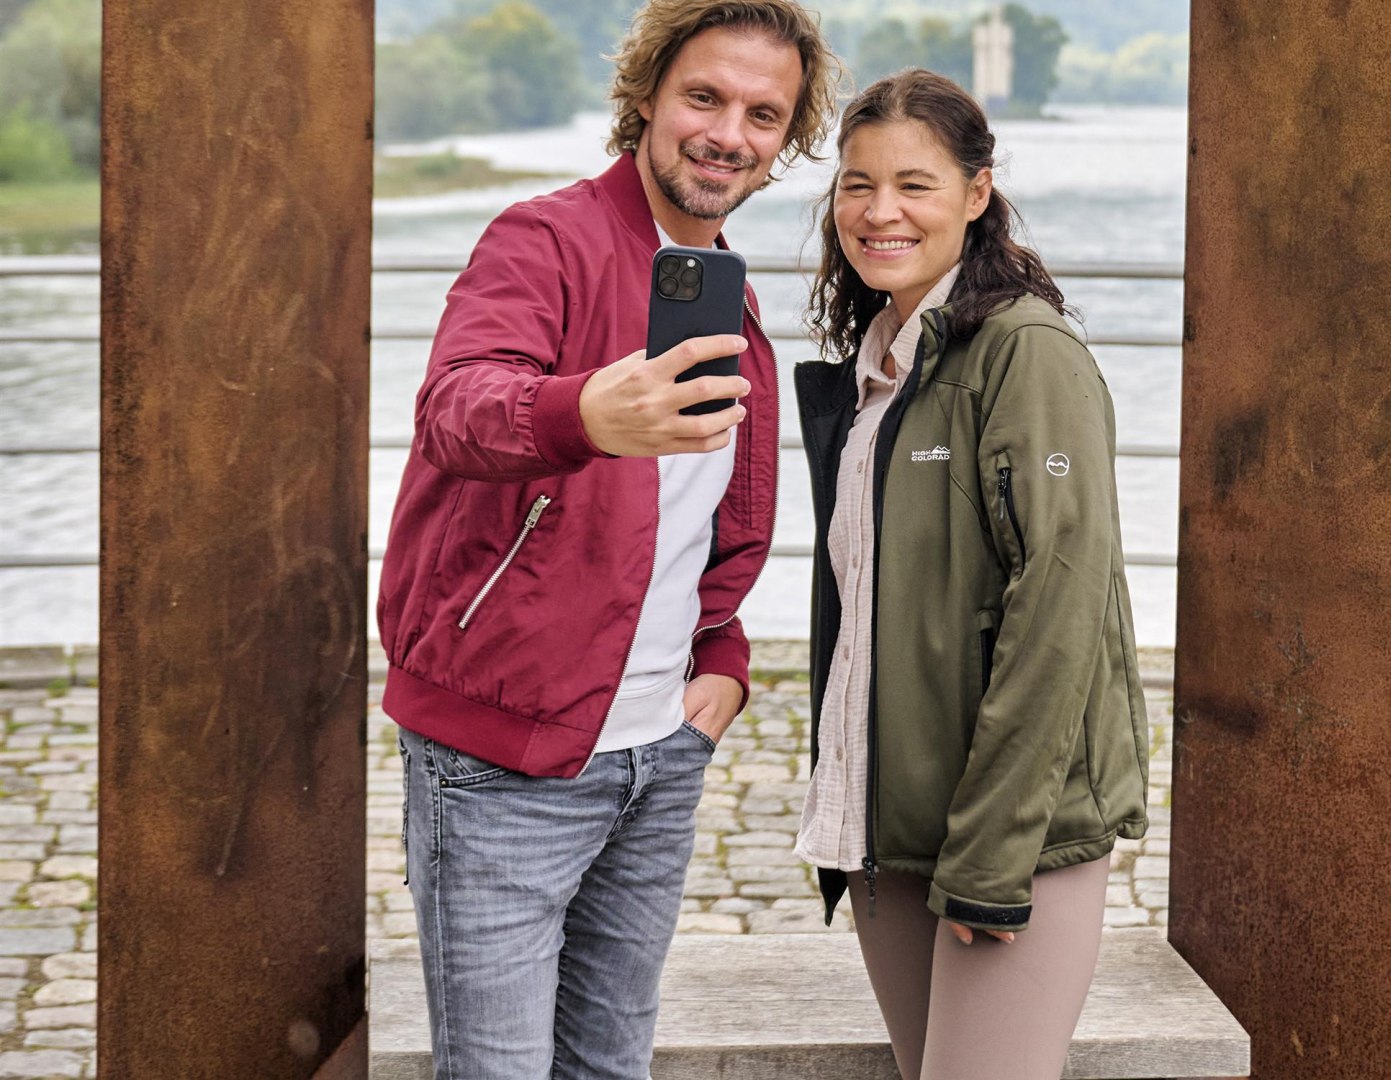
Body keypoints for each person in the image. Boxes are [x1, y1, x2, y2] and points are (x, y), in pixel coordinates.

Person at [374, 2, 842, 1076]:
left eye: (764, 114)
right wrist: (581, 415)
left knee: (610, 1069)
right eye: (705, 97)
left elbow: (706, 532)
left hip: (658, 754)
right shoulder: (543, 239)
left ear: (785, 141)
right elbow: (455, 405)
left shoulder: (729, 302)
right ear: (644, 98)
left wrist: (720, 660)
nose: (729, 132)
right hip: (501, 758)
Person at [793, 68, 1151, 1080]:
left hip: (1011, 838)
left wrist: (993, 851)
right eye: (856, 185)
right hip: (891, 832)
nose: (880, 211)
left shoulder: (1025, 354)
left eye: (914, 183)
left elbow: (1062, 604)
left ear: (977, 192)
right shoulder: (883, 368)